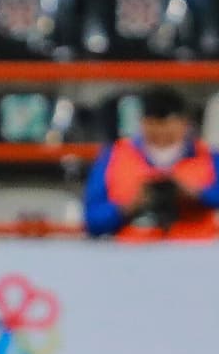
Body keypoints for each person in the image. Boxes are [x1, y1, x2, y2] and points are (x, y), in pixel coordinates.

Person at [84, 86, 219, 241]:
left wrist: (196, 195)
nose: (160, 131)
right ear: (142, 122)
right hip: (132, 247)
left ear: (184, 123)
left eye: (166, 123)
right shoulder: (113, 157)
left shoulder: (208, 157)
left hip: (196, 245)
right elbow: (92, 220)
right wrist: (130, 206)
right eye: (153, 123)